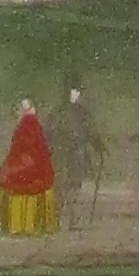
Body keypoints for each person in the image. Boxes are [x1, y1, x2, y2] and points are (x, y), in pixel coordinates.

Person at [0, 96, 56, 238]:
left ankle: (11, 223)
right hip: (36, 165)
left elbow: (18, 148)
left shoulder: (25, 125)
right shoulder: (35, 124)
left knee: (6, 176)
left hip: (25, 165)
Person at [58, 76, 108, 234]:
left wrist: (99, 146)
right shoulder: (70, 112)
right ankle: (65, 217)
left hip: (71, 153)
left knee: (72, 184)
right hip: (67, 152)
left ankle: (68, 217)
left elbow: (91, 133)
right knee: (69, 184)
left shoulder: (71, 112)